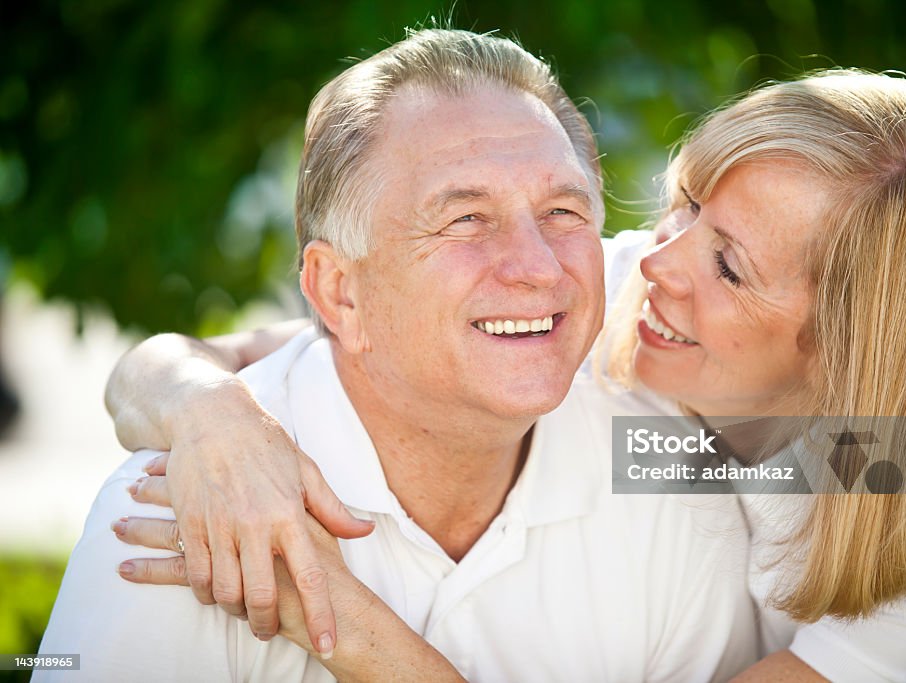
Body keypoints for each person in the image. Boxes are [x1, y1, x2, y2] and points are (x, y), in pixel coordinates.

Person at [103, 69, 906, 681]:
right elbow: (247, 349)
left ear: (852, 354)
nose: (657, 260)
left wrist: (327, 608)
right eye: (686, 203)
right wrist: (211, 419)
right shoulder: (623, 292)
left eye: (729, 265)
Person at [36, 28, 758, 683]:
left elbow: (863, 458)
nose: (538, 267)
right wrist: (196, 399)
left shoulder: (681, 472)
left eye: (563, 212)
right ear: (341, 294)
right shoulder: (192, 506)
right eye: (465, 219)